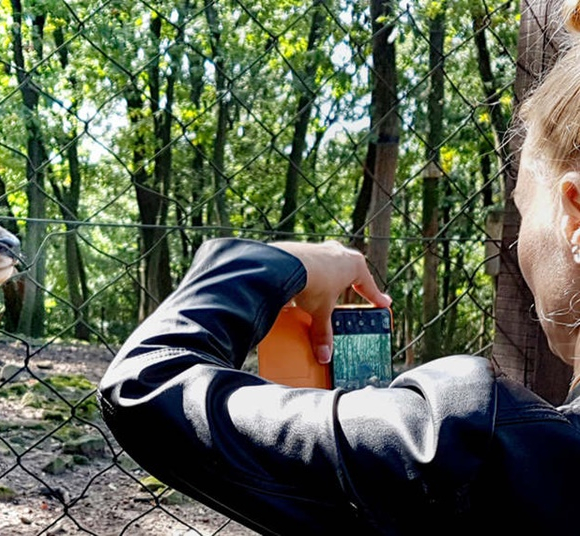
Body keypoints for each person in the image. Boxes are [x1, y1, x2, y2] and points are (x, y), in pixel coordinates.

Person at [99, 3, 580, 533]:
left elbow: (146, 388)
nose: (517, 244)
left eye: (522, 207)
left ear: (574, 214)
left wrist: (272, 264)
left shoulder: (459, 442)